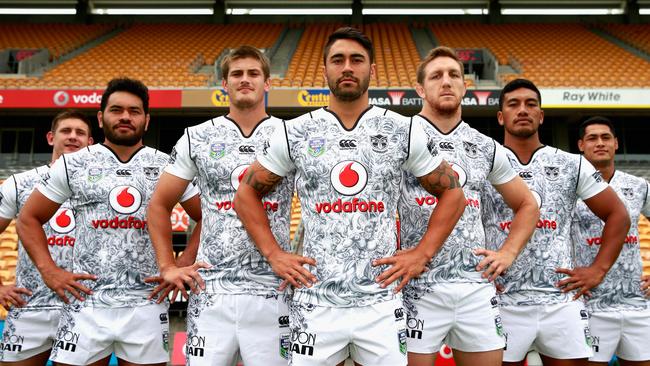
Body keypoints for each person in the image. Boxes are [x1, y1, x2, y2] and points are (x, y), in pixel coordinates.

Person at [234, 27, 466, 366]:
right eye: (337, 60)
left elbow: (453, 194)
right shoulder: (294, 131)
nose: (347, 67)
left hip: (381, 301)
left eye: (357, 60)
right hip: (316, 300)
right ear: (325, 69)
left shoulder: (404, 130)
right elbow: (246, 193)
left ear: (371, 71)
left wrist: (422, 253)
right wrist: (273, 254)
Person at [16, 78, 200, 366]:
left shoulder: (168, 165)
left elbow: (206, 215)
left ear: (147, 120)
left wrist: (183, 262)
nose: (125, 116)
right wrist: (50, 272)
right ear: (101, 118)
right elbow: (28, 218)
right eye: (116, 110)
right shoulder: (73, 163)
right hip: (87, 303)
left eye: (134, 111)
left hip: (147, 303)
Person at [147, 45, 295, 366]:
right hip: (211, 288)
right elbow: (159, 204)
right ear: (224, 85)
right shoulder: (196, 137)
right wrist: (168, 266)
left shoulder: (289, 135)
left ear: (267, 83)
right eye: (236, 74)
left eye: (253, 74)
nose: (245, 80)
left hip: (273, 288)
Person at [399, 47, 539, 366]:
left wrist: (508, 253)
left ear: (465, 87)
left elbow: (528, 204)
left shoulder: (485, 146)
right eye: (436, 76)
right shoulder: (401, 137)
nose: (446, 82)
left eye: (454, 76)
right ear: (420, 89)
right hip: (416, 284)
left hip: (474, 286)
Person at [482, 78, 630, 366]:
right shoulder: (486, 161)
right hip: (501, 299)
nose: (522, 110)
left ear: (541, 115)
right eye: (513, 104)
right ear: (501, 117)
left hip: (560, 300)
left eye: (531, 104)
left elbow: (618, 214)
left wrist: (598, 270)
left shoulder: (571, 163)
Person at [0, 110, 93, 365]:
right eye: (66, 131)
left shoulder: (102, 186)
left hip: (84, 310)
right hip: (30, 308)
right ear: (51, 137)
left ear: (91, 143)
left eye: (80, 133)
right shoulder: (19, 184)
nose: (73, 137)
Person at [572, 116, 650, 366]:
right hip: (588, 304)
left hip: (636, 303)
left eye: (606, 137)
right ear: (581, 145)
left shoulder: (638, 186)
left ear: (616, 143)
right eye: (592, 138)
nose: (600, 143)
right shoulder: (568, 188)